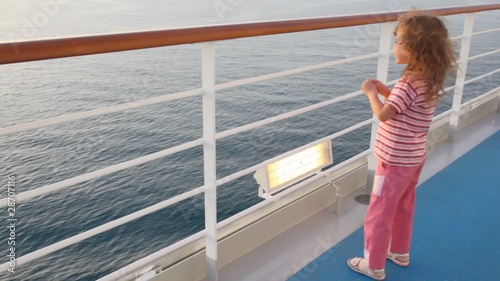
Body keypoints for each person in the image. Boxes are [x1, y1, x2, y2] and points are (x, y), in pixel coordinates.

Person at [347, 9, 456, 280]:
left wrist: (371, 94)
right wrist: (387, 91)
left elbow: (385, 115)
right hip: (413, 158)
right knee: (404, 205)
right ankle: (399, 252)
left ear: (414, 49)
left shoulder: (408, 83)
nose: (394, 46)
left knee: (379, 211)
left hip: (392, 161)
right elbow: (405, 107)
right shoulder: (426, 78)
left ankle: (372, 264)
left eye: (398, 41)